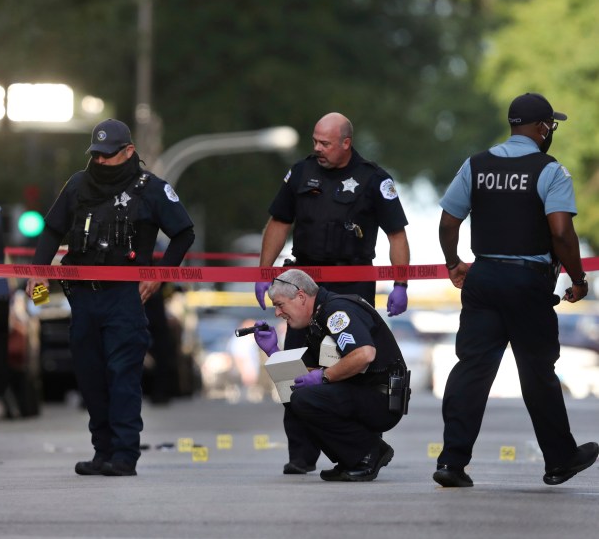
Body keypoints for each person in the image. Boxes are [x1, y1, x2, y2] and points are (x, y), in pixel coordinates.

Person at [434, 92, 597, 488]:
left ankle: (451, 462)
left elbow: (448, 221)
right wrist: (577, 278)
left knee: (471, 371)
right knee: (537, 372)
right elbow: (560, 231)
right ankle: (559, 460)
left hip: (484, 278)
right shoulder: (551, 170)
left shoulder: (475, 165)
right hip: (527, 283)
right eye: (551, 126)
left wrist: (454, 262)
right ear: (541, 128)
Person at [26, 118, 194, 476]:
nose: (100, 162)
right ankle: (102, 451)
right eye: (96, 155)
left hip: (125, 298)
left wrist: (159, 276)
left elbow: (183, 233)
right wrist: (37, 271)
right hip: (84, 298)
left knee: (122, 375)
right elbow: (52, 229)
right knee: (89, 376)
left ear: (128, 152)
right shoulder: (78, 184)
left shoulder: (150, 188)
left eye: (108, 156)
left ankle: (124, 455)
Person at [254, 112, 410, 475]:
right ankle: (301, 453)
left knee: (351, 366)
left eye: (325, 143)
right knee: (292, 367)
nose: (317, 149)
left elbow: (397, 235)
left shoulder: (373, 179)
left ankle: (358, 448)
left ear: (346, 143)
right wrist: (265, 272)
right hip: (303, 287)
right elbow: (279, 222)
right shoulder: (301, 174)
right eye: (315, 141)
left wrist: (401, 284)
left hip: (352, 285)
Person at [253, 269, 408, 482]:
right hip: (365, 392)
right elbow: (302, 376)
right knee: (296, 396)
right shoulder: (318, 316)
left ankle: (369, 452)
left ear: (300, 297)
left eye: (280, 305)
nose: (278, 313)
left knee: (305, 398)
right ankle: (351, 458)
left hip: (381, 399)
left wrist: (324, 377)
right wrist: (273, 351)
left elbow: (364, 354)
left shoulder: (336, 312)